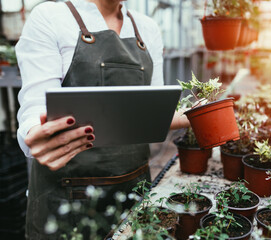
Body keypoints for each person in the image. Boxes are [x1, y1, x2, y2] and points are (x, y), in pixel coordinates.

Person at [15, 0, 189, 239]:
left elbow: (152, 111)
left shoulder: (147, 28)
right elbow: (35, 107)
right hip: (66, 197)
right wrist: (34, 132)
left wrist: (199, 113)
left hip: (134, 189)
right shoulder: (51, 17)